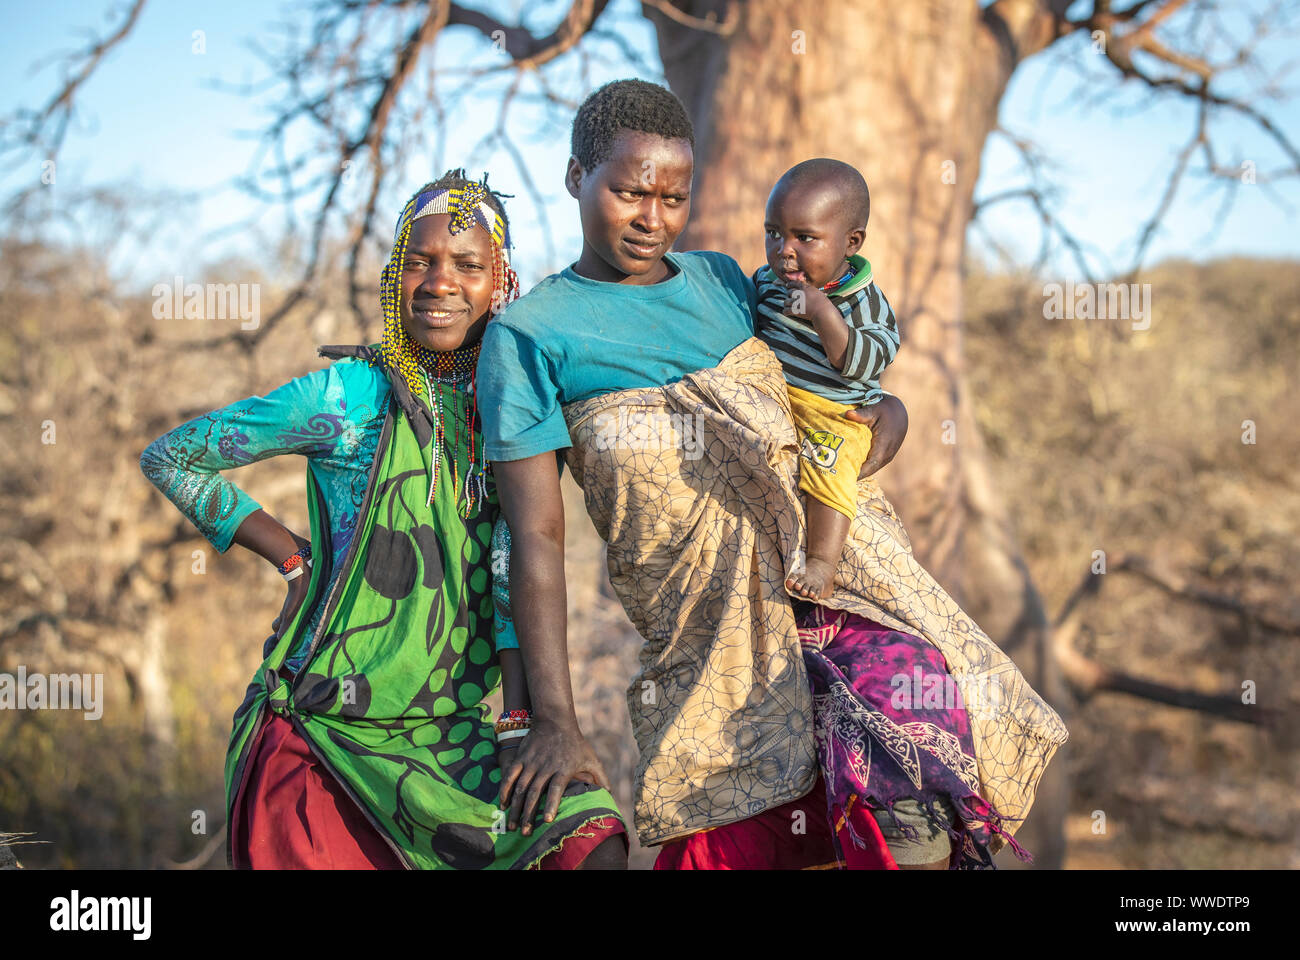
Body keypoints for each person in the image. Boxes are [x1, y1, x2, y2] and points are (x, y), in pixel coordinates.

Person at [479, 79, 1068, 870]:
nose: (652, 219)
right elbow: (536, 535)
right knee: (730, 841)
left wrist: (889, 413)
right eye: (627, 192)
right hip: (703, 649)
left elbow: (820, 393)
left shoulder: (728, 282)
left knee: (909, 774)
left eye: (673, 197)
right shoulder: (530, 335)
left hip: (831, 588)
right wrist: (554, 718)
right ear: (574, 176)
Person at [140, 170, 628, 869]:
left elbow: (511, 564)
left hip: (447, 740)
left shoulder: (515, 407)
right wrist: (291, 558)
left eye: (467, 265)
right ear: (392, 276)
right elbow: (172, 457)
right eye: (419, 262)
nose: (440, 283)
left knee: (591, 842)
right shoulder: (348, 395)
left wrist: (521, 720)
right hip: (318, 737)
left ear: (503, 283)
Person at [754, 158, 900, 601]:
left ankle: (821, 562)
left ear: (850, 242)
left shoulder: (864, 301)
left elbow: (865, 362)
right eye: (774, 233)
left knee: (829, 471)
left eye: (805, 237)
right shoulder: (767, 282)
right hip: (780, 399)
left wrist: (822, 312)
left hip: (836, 413)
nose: (785, 250)